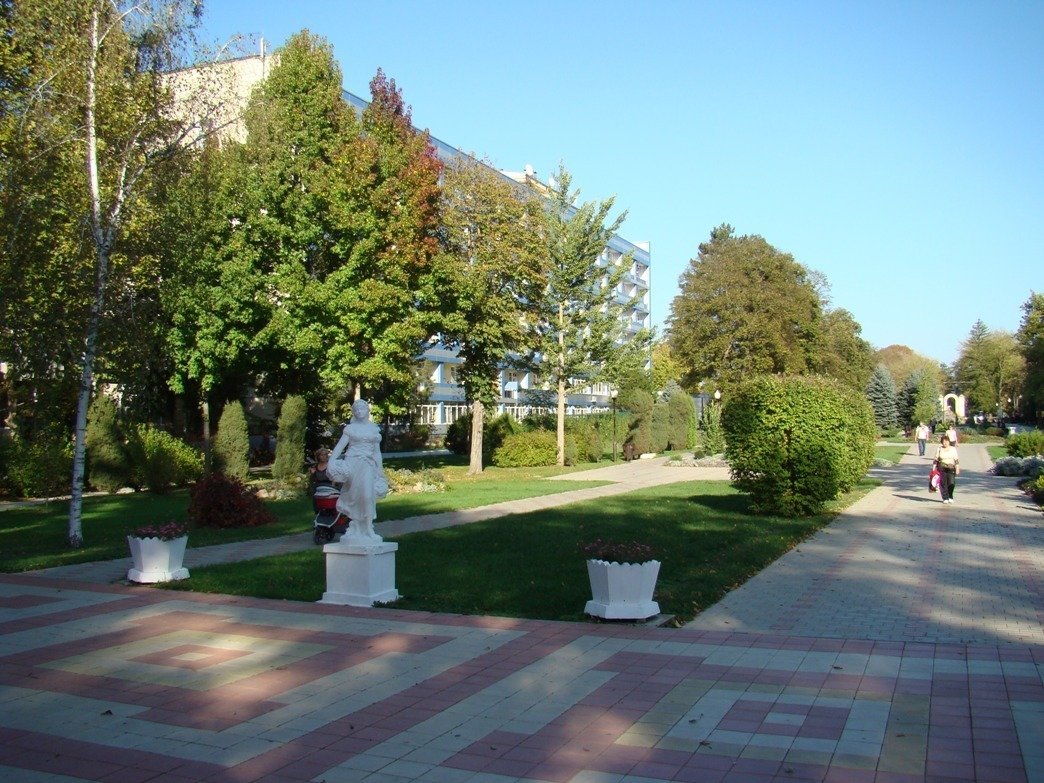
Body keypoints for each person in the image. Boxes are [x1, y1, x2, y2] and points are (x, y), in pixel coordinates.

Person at [327, 399, 389, 543]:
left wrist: (380, 470)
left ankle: (368, 528)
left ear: (368, 410)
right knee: (354, 496)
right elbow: (340, 446)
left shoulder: (374, 429)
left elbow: (376, 452)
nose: (360, 412)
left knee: (367, 496)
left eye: (362, 409)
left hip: (367, 465)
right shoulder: (350, 429)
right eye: (357, 410)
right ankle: (355, 526)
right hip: (352, 464)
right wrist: (331, 462)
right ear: (354, 413)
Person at [933, 434, 960, 504]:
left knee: (951, 483)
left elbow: (956, 459)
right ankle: (945, 498)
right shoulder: (939, 449)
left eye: (947, 441)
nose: (945, 443)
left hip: (951, 467)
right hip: (942, 468)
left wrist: (957, 468)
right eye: (944, 442)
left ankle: (950, 496)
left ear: (949, 442)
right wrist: (933, 470)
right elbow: (935, 460)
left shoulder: (953, 449)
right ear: (942, 442)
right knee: (943, 483)